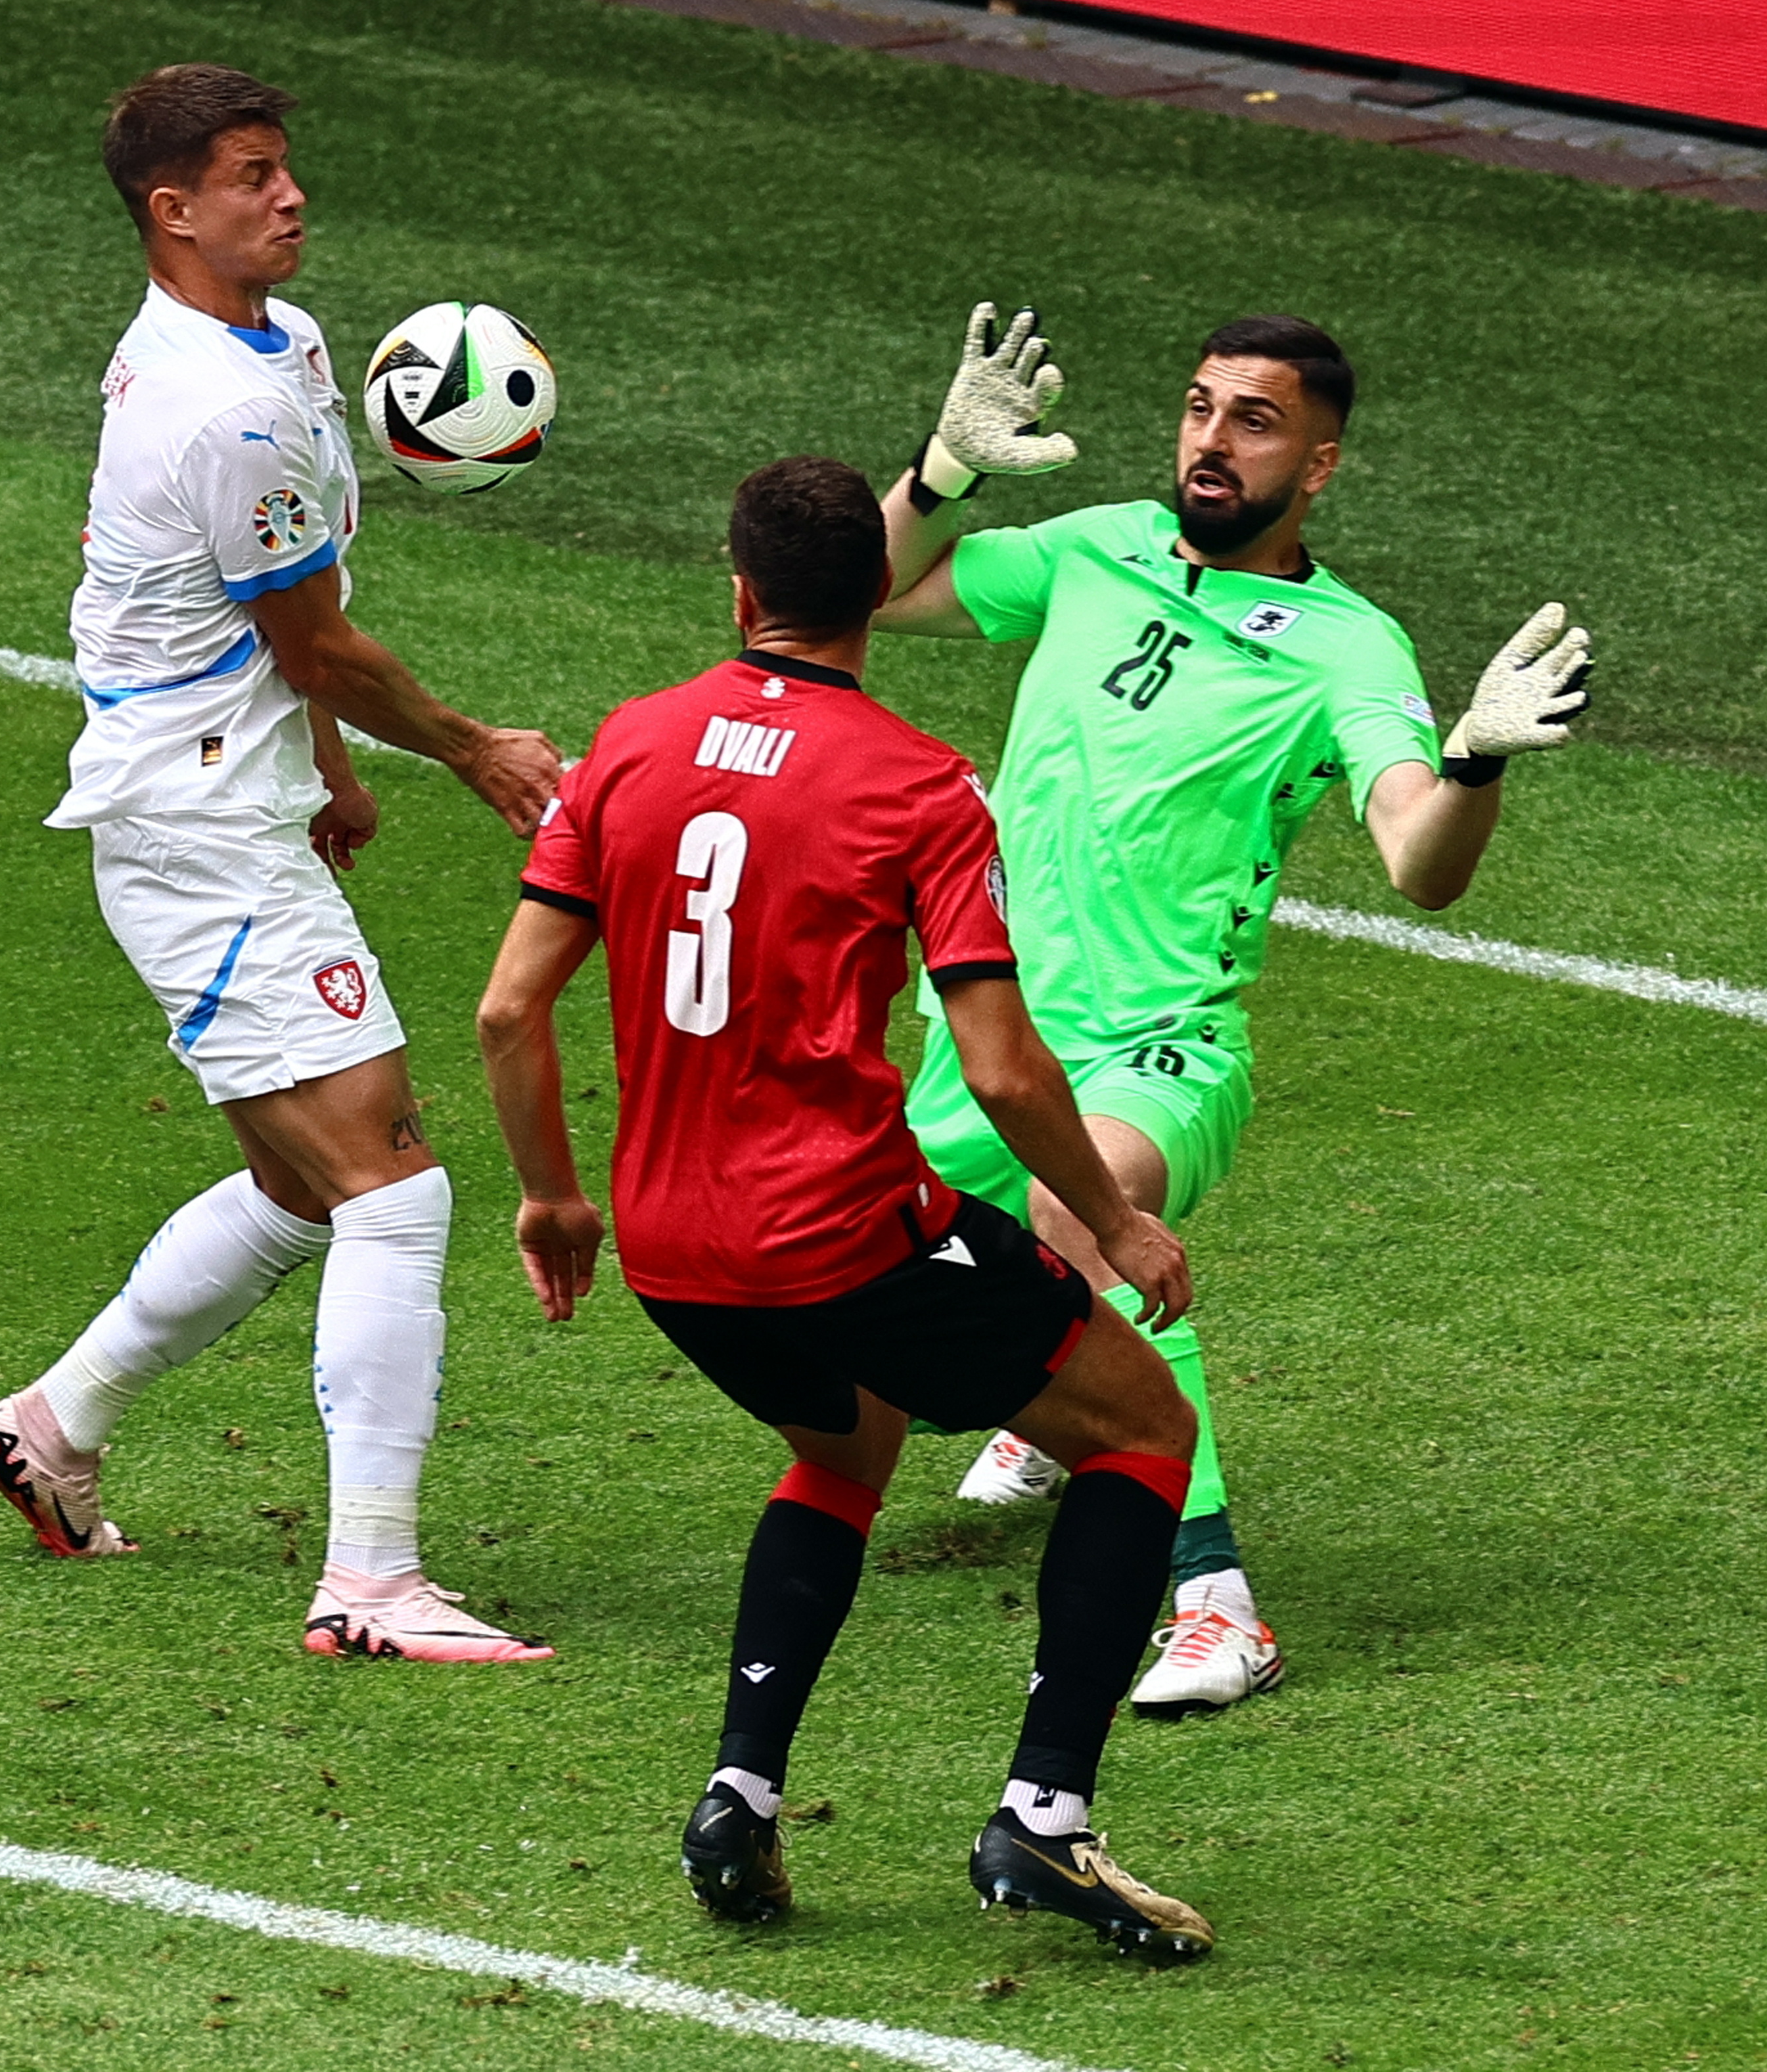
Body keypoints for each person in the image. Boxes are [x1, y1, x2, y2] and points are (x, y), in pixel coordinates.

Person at [476, 456, 1218, 1961]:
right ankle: (1046, 1820)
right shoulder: (921, 783)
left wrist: (555, 1197)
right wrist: (1118, 1224)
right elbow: (1002, 1070)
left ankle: (739, 1801)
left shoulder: (629, 744)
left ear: (737, 585)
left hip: (673, 1247)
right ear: (875, 595)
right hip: (838, 1229)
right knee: (1144, 1429)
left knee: (843, 1445)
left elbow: (506, 1009)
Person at [874, 306, 1594, 1715]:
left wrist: (1471, 767)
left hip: (1161, 1045)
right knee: (841, 1259)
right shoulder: (1094, 547)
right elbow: (870, 591)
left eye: (1251, 421)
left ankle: (1215, 1603)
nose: (1211, 440)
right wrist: (942, 471)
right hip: (987, 1041)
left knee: (1089, 1214)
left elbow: (1415, 861)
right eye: (1201, 407)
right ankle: (1047, 1395)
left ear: (1318, 466)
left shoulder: (1347, 648)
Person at [0, 63, 563, 1667]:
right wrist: (478, 749)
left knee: (308, 1183)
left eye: (287, 167)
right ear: (174, 211)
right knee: (394, 1186)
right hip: (194, 830)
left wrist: (335, 773)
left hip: (237, 799)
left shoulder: (278, 346)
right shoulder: (218, 404)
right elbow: (320, 637)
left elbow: (283, 632)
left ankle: (51, 1425)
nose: (289, 196)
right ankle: (369, 1580)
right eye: (251, 176)